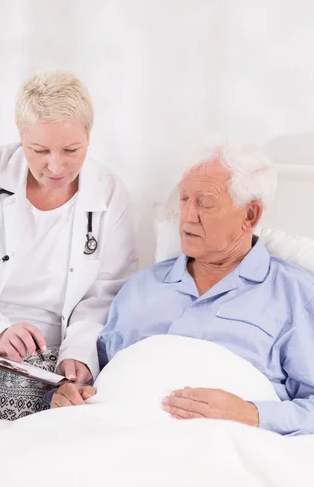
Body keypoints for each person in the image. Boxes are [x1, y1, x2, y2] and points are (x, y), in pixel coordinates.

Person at [0, 70, 138, 453]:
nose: (56, 166)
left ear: (88, 137)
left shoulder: (109, 192)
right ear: (21, 139)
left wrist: (78, 356)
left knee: (69, 412)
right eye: (39, 151)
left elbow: (106, 292)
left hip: (53, 354)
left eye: (71, 150)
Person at [50, 140, 314, 437]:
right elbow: (95, 378)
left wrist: (253, 413)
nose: (187, 215)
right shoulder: (141, 287)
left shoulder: (295, 296)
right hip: (112, 434)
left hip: (221, 449)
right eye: (185, 199)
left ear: (250, 215)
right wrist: (69, 394)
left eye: (205, 203)